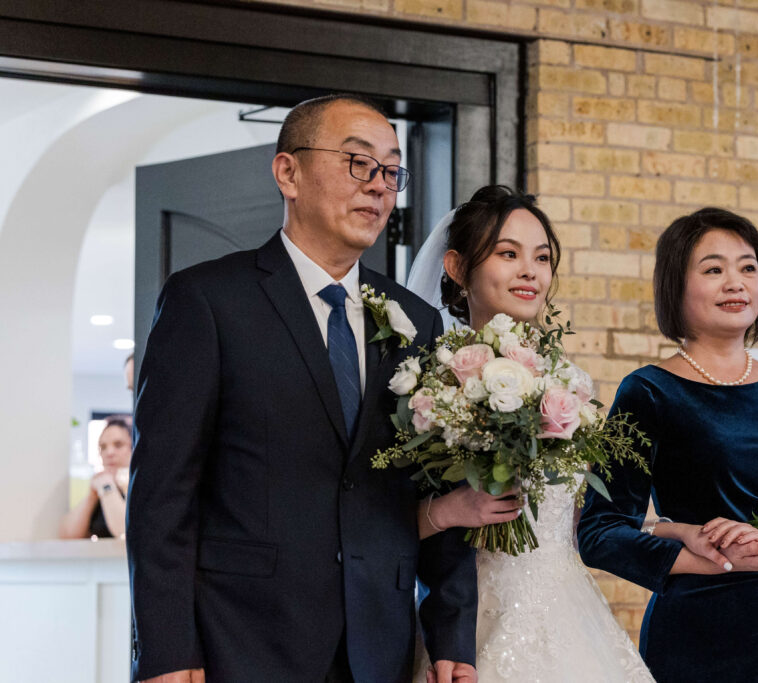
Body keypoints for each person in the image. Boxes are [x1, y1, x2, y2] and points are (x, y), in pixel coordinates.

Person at [126, 94, 477, 683]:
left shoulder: (415, 320)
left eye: (392, 171)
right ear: (288, 172)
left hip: (379, 647)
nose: (379, 186)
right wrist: (166, 653)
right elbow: (163, 499)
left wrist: (452, 634)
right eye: (358, 163)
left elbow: (436, 485)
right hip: (242, 642)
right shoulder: (208, 302)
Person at [577, 207, 758, 682]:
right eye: (714, 269)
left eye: (748, 267)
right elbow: (600, 531)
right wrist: (708, 557)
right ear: (676, 286)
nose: (737, 283)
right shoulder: (648, 391)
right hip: (695, 632)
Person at [406, 185, 656, 682]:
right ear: (456, 268)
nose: (530, 271)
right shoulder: (425, 385)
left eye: (541, 258)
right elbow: (372, 524)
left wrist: (667, 529)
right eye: (508, 253)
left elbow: (581, 519)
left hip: (568, 612)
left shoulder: (571, 386)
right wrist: (451, 510)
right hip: (463, 623)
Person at [59, 417, 131, 539]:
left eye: (118, 445)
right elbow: (68, 536)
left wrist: (108, 487)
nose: (109, 453)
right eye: (103, 447)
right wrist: (91, 497)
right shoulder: (98, 489)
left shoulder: (143, 489)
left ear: (133, 448)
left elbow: (124, 531)